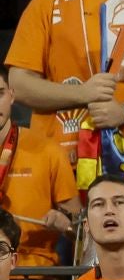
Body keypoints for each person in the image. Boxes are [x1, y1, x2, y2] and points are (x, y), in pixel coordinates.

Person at [0, 74, 76, 265]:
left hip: (34, 277)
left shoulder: (49, 152)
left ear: (11, 95)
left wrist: (66, 224)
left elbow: (81, 231)